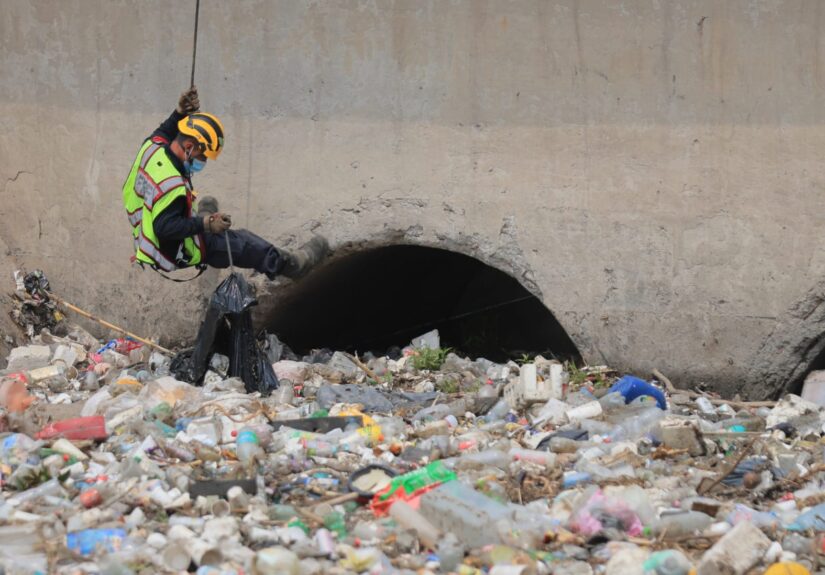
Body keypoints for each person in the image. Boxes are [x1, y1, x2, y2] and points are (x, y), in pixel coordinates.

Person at [122, 86, 327, 280]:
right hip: (171, 249)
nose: (203, 162)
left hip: (142, 228)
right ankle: (292, 266)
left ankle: (203, 215)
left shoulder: (152, 148)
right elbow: (164, 227)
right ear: (189, 146)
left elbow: (165, 131)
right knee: (244, 243)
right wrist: (207, 223)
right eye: (202, 156)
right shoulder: (172, 186)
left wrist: (179, 113)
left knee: (203, 209)